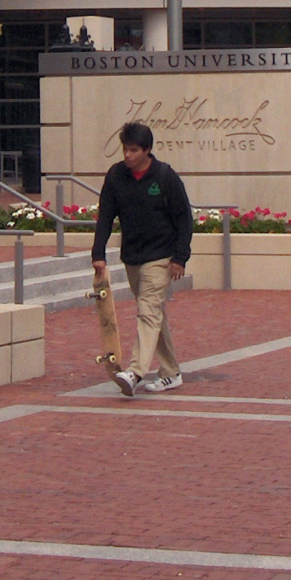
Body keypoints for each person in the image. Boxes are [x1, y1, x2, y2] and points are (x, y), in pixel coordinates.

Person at [91, 121, 192, 398]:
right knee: (153, 314)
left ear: (147, 150)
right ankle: (171, 373)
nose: (127, 155)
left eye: (133, 150)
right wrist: (98, 254)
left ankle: (134, 373)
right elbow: (106, 217)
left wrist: (180, 257)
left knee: (147, 311)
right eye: (125, 149)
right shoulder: (115, 177)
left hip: (161, 256)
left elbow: (184, 218)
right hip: (133, 256)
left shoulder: (164, 176)